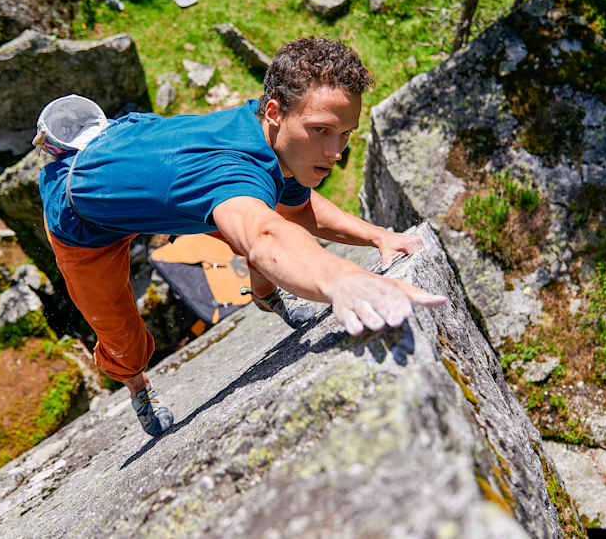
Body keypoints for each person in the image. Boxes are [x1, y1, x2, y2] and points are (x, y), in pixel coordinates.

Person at [38, 38, 447, 437]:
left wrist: (380, 238)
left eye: (344, 134)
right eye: (321, 130)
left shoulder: (268, 135)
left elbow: (297, 210)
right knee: (122, 336)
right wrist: (339, 278)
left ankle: (266, 294)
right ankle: (138, 388)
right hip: (82, 214)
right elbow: (265, 235)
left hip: (137, 147)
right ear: (274, 111)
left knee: (256, 217)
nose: (336, 151)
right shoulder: (234, 176)